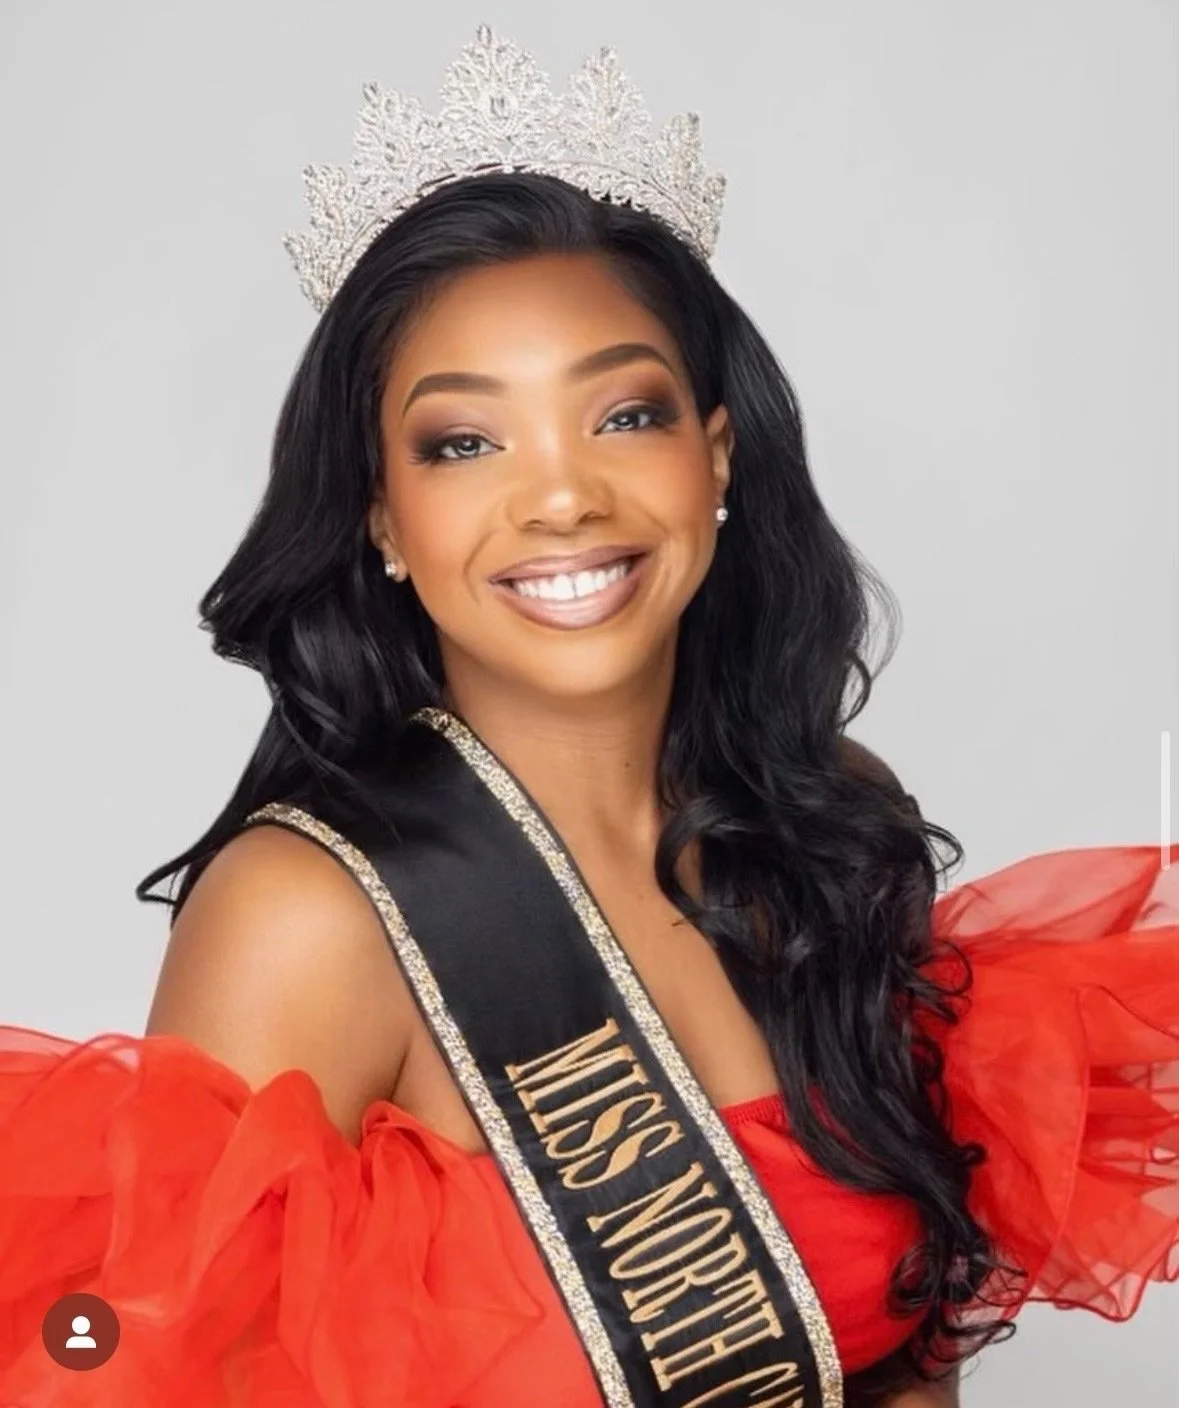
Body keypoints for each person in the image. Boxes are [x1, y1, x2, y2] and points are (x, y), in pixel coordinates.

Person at [0, 26, 1176, 1408]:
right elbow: (135, 1373)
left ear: (713, 458)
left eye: (622, 416)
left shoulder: (820, 822)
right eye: (463, 442)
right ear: (381, 512)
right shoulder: (310, 915)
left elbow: (897, 1341)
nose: (560, 497)